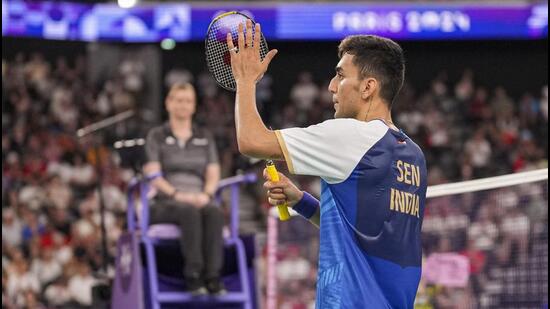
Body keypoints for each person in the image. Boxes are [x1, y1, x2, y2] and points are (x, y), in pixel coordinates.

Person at [226, 21, 427, 308]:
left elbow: (251, 141)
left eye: (341, 76)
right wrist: (300, 201)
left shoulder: (351, 135)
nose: (332, 86)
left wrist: (245, 82)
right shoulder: (413, 153)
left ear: (368, 87)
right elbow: (361, 233)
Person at [143, 83, 225, 295]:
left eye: (188, 100)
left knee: (214, 211)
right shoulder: (156, 135)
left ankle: (213, 277)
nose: (183, 105)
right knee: (187, 210)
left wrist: (207, 194)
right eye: (178, 100)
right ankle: (193, 276)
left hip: (199, 198)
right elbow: (153, 175)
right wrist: (177, 195)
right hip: (165, 202)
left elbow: (213, 172)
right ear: (168, 103)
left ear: (194, 106)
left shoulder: (204, 136)